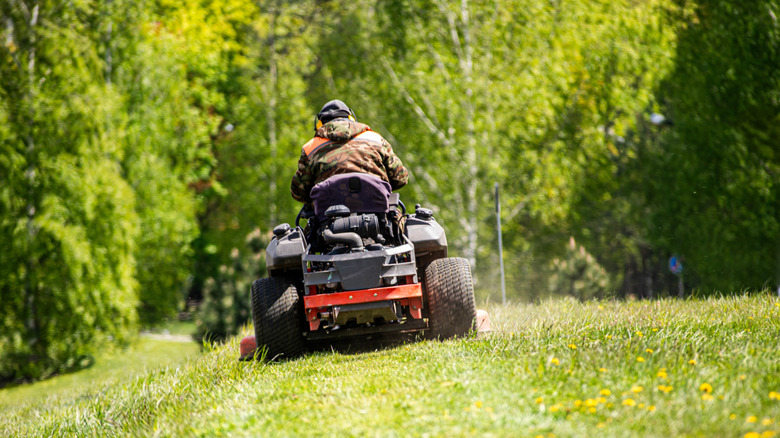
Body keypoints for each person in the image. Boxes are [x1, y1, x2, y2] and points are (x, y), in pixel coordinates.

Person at [290, 99, 408, 206]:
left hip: (327, 218)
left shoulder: (310, 148)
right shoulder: (376, 139)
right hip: (378, 212)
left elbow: (298, 192)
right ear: (351, 119)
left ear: (319, 124)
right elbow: (400, 178)